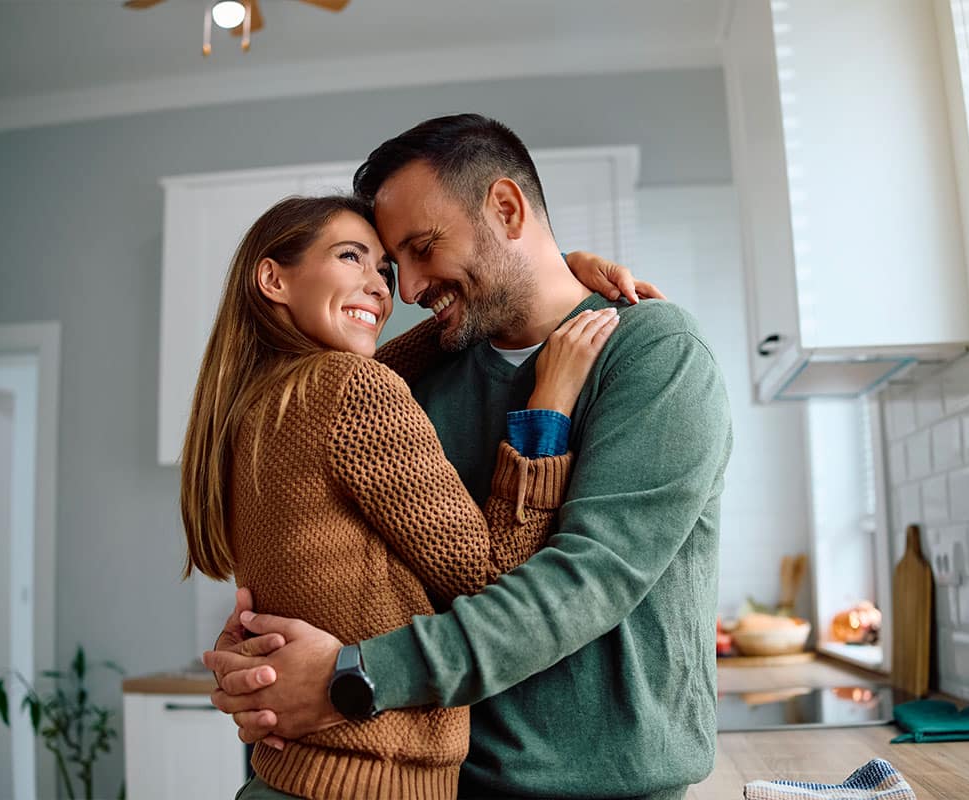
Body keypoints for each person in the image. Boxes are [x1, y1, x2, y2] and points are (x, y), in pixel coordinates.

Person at [206, 114, 734, 800]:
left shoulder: (657, 355)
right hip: (443, 781)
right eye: (396, 264)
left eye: (423, 249)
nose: (410, 289)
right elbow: (364, 566)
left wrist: (354, 676)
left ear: (507, 209)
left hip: (609, 786)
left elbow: (585, 583)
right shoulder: (416, 375)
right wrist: (264, 653)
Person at [180, 193, 639, 799]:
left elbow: (388, 366)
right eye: (352, 257)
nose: (380, 287)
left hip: (288, 779)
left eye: (385, 271)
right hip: (375, 783)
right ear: (273, 278)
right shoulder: (351, 389)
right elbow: (491, 577)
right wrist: (546, 409)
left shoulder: (253, 407)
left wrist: (548, 279)